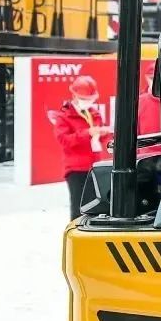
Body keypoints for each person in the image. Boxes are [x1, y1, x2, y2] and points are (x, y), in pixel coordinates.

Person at [52, 76, 112, 220]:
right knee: (78, 208)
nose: (88, 102)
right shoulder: (64, 116)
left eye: (91, 99)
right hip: (76, 169)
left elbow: (100, 138)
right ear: (74, 96)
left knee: (96, 206)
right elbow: (64, 140)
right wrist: (87, 133)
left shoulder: (94, 113)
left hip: (94, 166)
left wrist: (104, 133)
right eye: (85, 99)